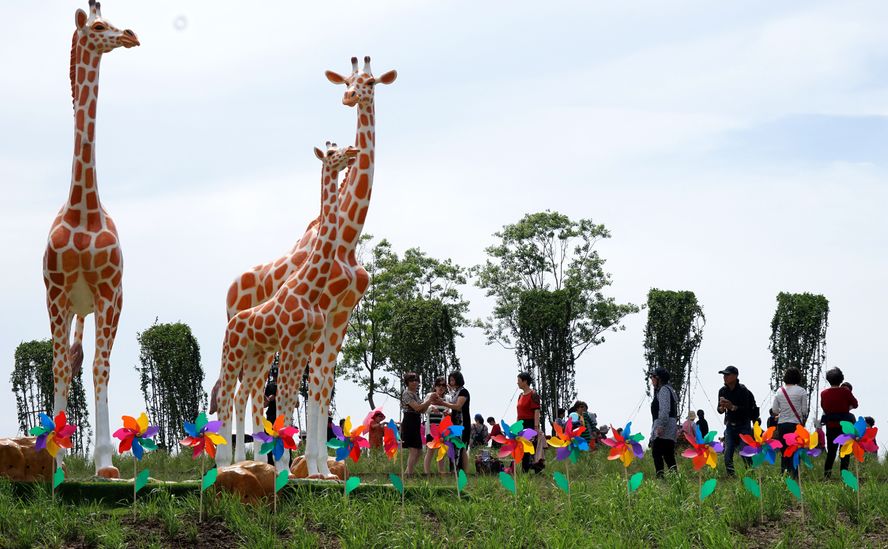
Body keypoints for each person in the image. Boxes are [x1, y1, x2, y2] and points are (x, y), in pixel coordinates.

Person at [716, 365, 757, 477]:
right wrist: (722, 408)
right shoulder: (722, 391)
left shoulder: (743, 391)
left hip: (743, 425)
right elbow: (719, 409)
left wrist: (732, 407)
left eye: (727, 375)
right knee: (728, 452)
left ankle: (750, 473)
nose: (724, 377)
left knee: (745, 451)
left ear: (735, 376)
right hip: (730, 425)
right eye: (724, 375)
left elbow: (747, 410)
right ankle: (731, 475)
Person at [401, 372, 441, 476]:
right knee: (414, 450)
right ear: (407, 382)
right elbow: (418, 408)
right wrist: (430, 401)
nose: (414, 382)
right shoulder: (407, 393)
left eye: (416, 380)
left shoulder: (415, 394)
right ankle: (409, 475)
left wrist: (431, 407)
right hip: (409, 420)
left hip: (416, 420)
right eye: (411, 380)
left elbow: (422, 410)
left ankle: (406, 474)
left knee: (419, 451)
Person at [770, 367, 808, 477]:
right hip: (796, 425)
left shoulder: (779, 391)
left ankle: (784, 474)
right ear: (798, 378)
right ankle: (795, 475)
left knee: (784, 451)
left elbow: (775, 410)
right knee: (796, 450)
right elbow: (804, 411)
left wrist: (782, 413)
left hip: (782, 425)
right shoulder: (802, 391)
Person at [821, 367, 858, 478]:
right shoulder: (845, 392)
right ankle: (844, 476)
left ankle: (827, 476)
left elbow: (823, 406)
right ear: (841, 379)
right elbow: (855, 404)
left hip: (831, 426)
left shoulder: (824, 393)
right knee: (845, 453)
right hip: (845, 427)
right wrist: (847, 408)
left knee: (831, 453)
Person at [650, 368, 679, 478]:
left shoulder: (663, 390)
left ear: (659, 378)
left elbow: (664, 409)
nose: (651, 379)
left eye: (653, 377)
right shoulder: (669, 389)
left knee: (657, 453)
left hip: (664, 426)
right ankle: (676, 480)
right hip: (669, 425)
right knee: (668, 454)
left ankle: (660, 477)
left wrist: (661, 426)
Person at [439, 371, 470, 471]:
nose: (451, 382)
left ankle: (462, 470)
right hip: (454, 422)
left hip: (462, 422)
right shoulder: (456, 392)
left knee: (461, 446)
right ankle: (453, 469)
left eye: (453, 380)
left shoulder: (463, 392)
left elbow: (458, 407)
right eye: (450, 380)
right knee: (453, 445)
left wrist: (443, 403)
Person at [516, 372, 544, 473]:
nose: (517, 383)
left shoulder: (533, 394)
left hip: (530, 423)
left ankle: (527, 469)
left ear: (525, 381)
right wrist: (517, 425)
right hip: (521, 424)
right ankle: (527, 468)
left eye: (519, 381)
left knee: (527, 447)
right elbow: (519, 412)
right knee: (521, 447)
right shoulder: (520, 396)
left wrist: (536, 426)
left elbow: (536, 411)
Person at [423, 377, 449, 475]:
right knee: (430, 450)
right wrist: (431, 407)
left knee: (442, 451)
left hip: (442, 429)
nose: (441, 387)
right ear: (435, 386)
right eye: (439, 385)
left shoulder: (447, 398)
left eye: (443, 385)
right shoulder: (430, 395)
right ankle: (426, 473)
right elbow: (424, 408)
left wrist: (448, 412)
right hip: (431, 428)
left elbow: (450, 409)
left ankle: (441, 472)